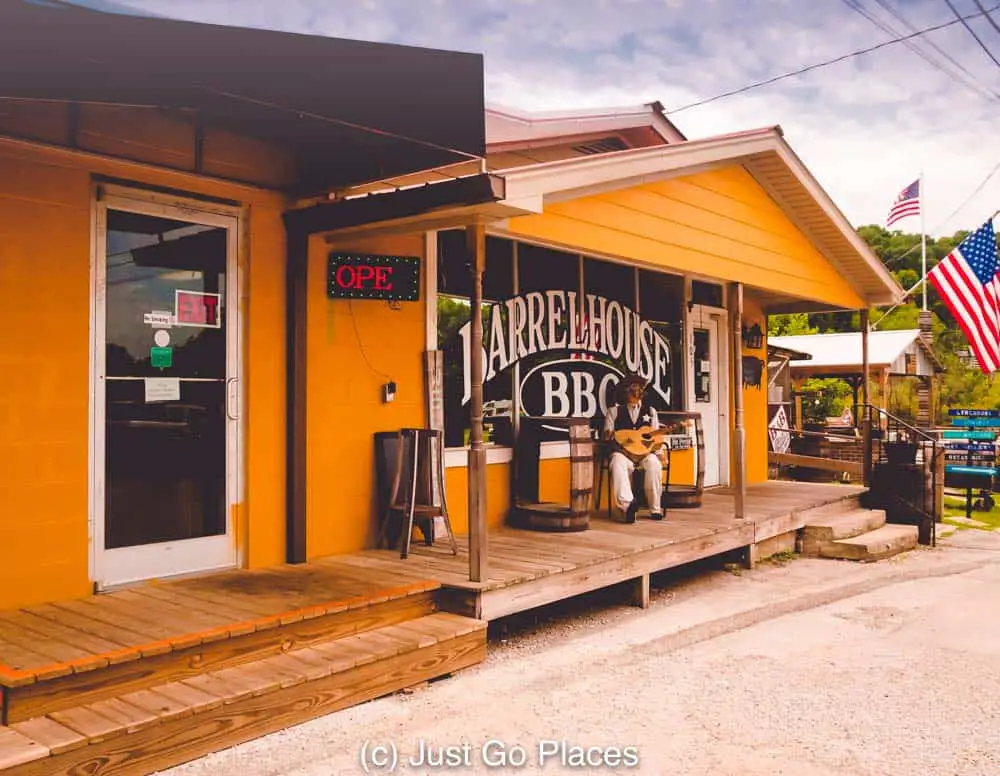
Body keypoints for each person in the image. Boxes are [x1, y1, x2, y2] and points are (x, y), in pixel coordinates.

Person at [602, 374, 668, 523]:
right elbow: (607, 436)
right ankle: (628, 506)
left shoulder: (650, 412)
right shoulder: (614, 412)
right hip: (624, 454)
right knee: (616, 462)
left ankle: (655, 508)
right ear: (625, 393)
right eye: (632, 390)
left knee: (653, 464)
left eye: (639, 390)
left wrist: (659, 453)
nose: (636, 394)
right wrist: (611, 436)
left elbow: (655, 436)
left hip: (645, 453)